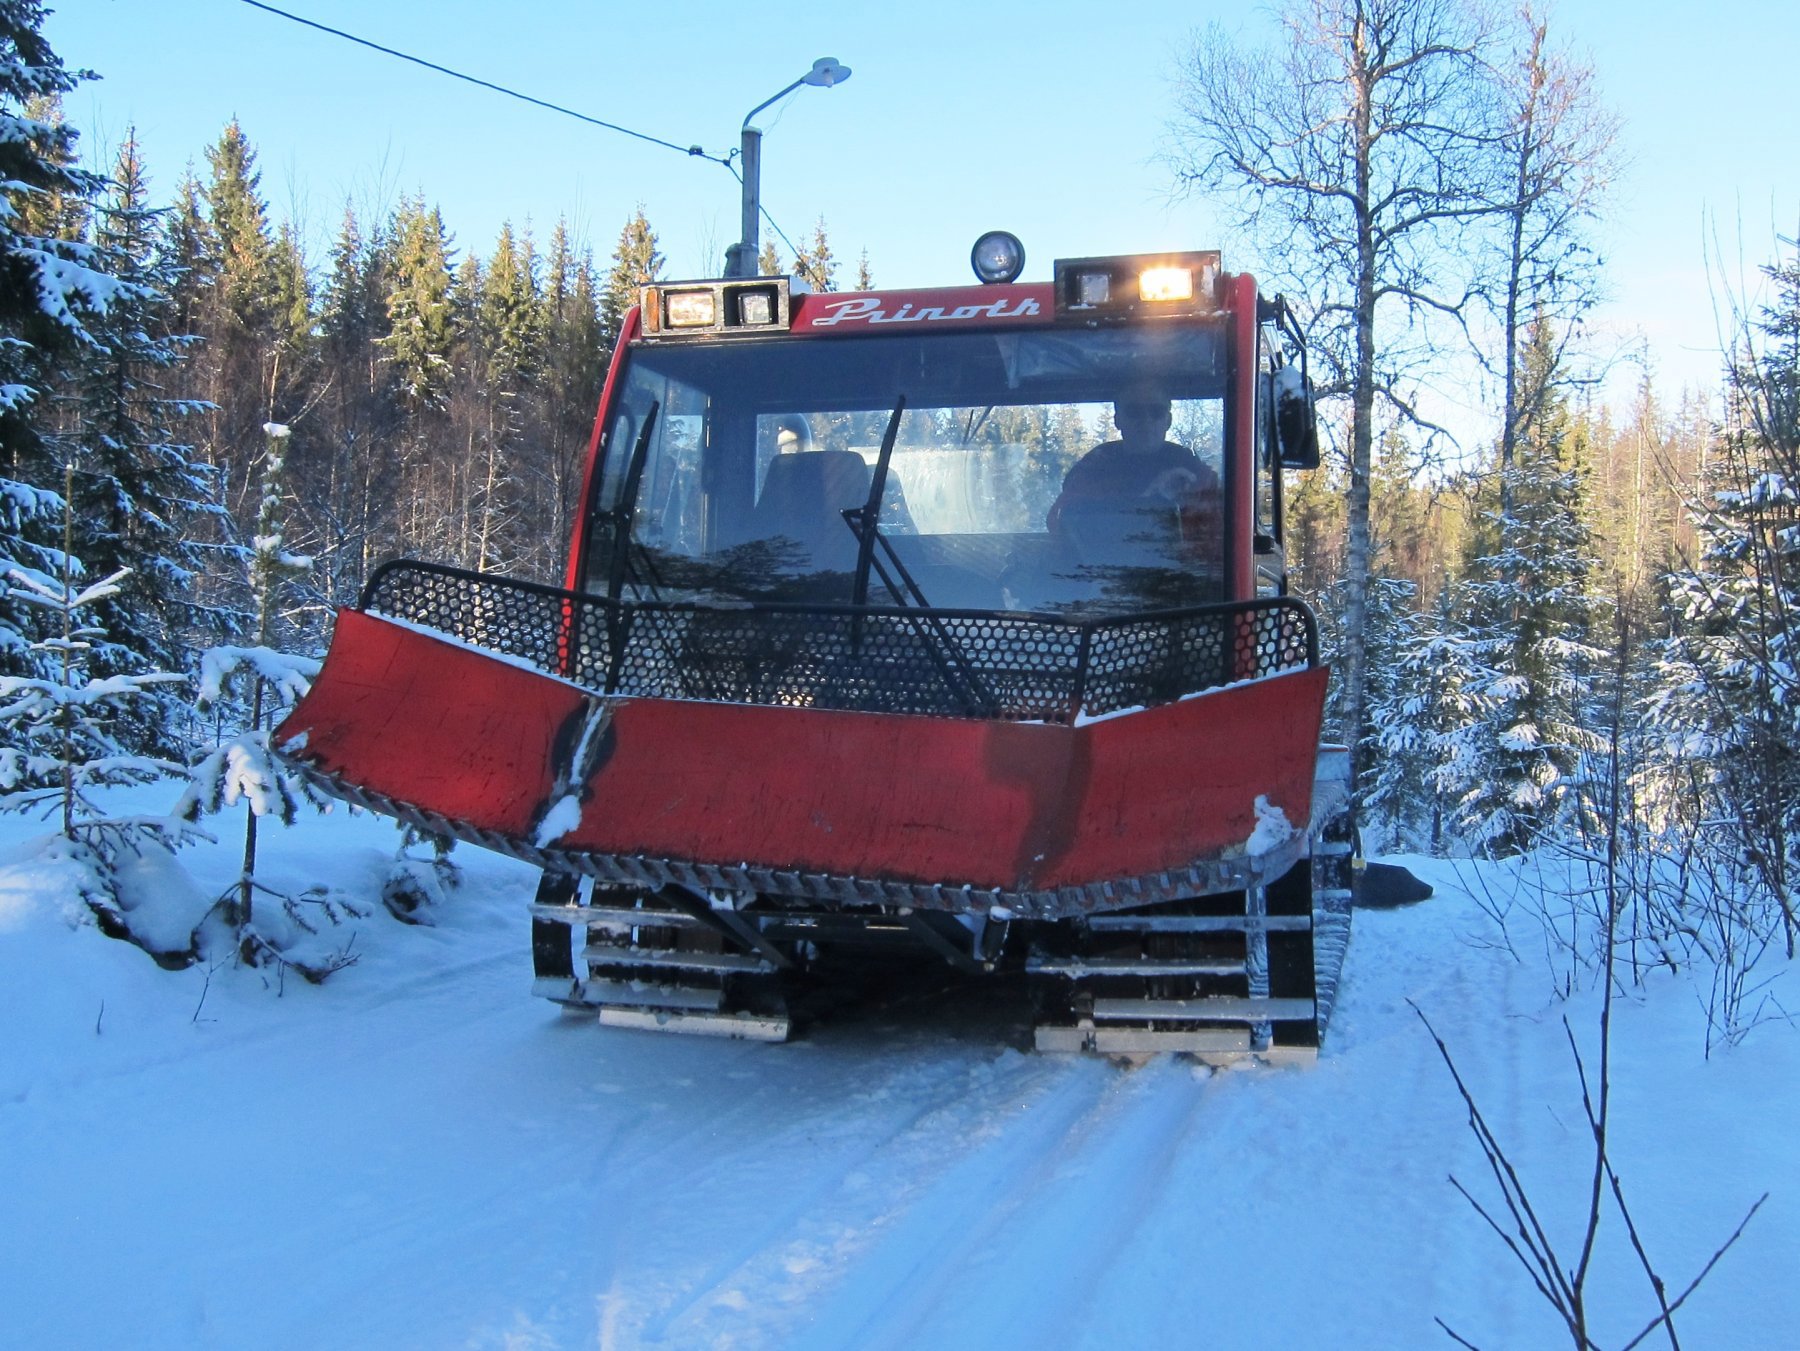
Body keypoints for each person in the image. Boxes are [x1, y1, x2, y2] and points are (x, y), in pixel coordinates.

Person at [1046, 392, 1220, 568]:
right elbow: (1066, 521)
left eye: (1156, 411)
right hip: (1096, 578)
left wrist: (1185, 497)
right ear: (1118, 420)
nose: (1146, 421)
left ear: (1168, 421)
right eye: (1134, 411)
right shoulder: (1094, 469)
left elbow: (1214, 544)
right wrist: (1150, 497)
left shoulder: (1196, 473)